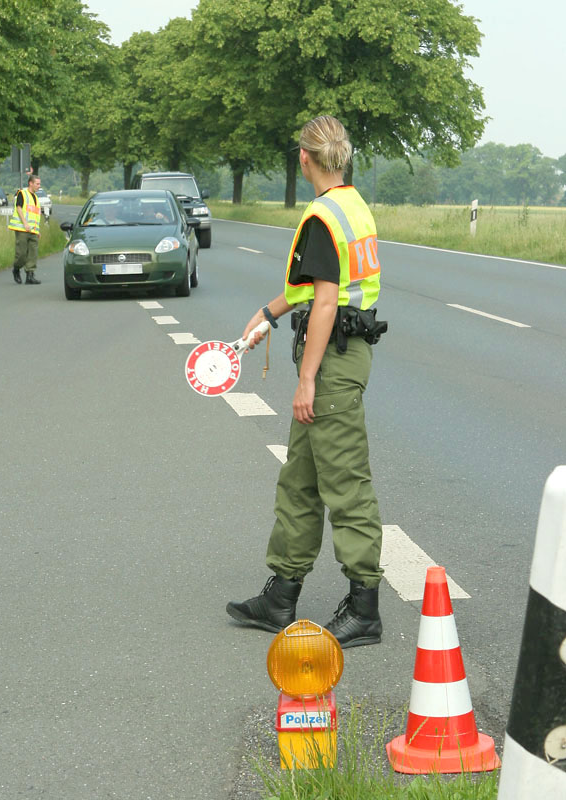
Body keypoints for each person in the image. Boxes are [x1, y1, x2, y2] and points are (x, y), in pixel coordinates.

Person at [226, 115, 387, 649]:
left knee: (345, 483)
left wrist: (307, 379)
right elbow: (322, 288)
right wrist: (268, 314)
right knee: (300, 479)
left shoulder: (322, 216)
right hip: (343, 349)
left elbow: (324, 300)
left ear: (304, 158)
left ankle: (364, 608)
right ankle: (281, 597)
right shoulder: (353, 205)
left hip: (334, 361)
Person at [9, 175, 42, 284]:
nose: (39, 186)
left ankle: (30, 275)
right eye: (37, 183)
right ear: (30, 183)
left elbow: (36, 215)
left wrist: (38, 230)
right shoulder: (22, 193)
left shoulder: (36, 198)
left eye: (39, 184)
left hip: (33, 230)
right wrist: (25, 223)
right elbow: (19, 208)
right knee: (22, 253)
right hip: (22, 229)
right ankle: (16, 269)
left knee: (33, 253)